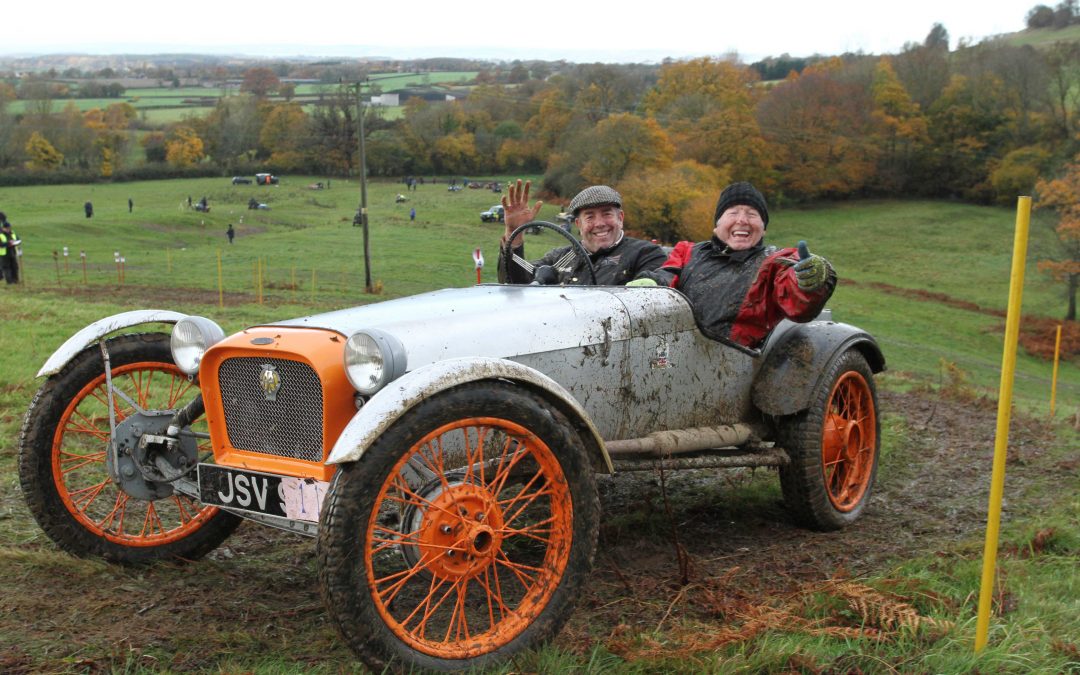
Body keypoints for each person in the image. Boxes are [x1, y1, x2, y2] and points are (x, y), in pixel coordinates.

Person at [629, 182, 836, 349]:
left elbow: (797, 299)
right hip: (678, 351)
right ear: (717, 224)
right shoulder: (688, 251)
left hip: (734, 365)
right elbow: (667, 275)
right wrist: (649, 283)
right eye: (733, 212)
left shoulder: (774, 261)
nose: (742, 220)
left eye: (752, 214)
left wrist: (814, 279)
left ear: (763, 229)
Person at [496, 180, 666, 285]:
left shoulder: (645, 253)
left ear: (620, 217)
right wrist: (514, 232)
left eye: (606, 214)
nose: (599, 224)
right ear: (578, 224)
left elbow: (656, 287)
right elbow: (515, 285)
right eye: (590, 217)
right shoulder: (559, 258)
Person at [0, 215, 20, 284]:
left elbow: (18, 239)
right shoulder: (0, 235)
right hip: (4, 254)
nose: (8, 229)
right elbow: (1, 244)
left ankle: (16, 280)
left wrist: (16, 242)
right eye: (7, 228)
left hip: (13, 252)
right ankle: (9, 282)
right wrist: (8, 243)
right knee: (6, 268)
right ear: (3, 228)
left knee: (15, 267)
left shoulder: (13, 233)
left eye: (9, 228)